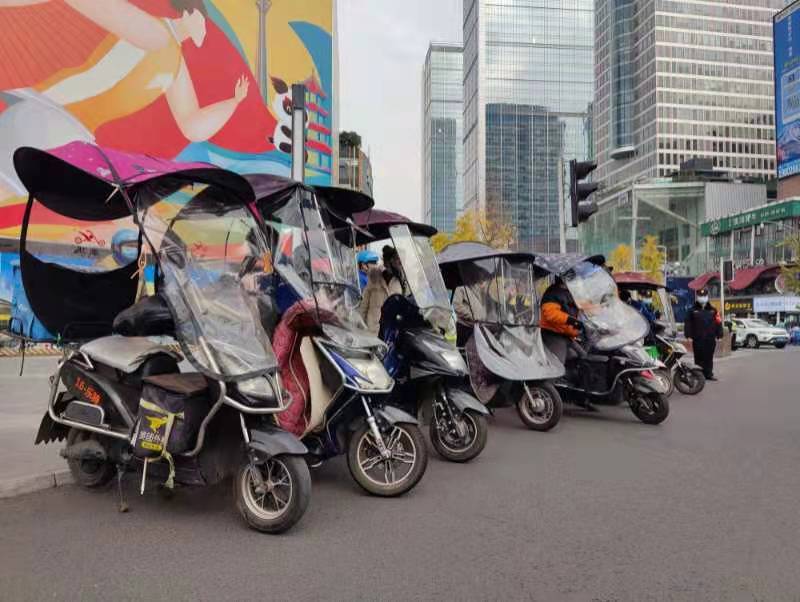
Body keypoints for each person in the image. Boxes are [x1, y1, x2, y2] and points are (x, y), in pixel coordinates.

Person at [358, 246, 404, 334]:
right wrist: (360, 327)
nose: (400, 263)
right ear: (389, 261)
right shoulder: (374, 278)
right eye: (397, 259)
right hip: (372, 330)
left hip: (390, 332)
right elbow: (364, 305)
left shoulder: (401, 282)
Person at [540, 277, 582, 365]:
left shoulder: (570, 293)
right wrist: (571, 320)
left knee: (583, 355)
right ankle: (553, 374)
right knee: (557, 364)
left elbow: (584, 306)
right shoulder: (553, 293)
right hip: (553, 333)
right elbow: (550, 313)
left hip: (566, 334)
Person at [684, 288, 723, 381]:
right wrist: (688, 335)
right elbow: (688, 323)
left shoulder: (713, 310)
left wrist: (719, 334)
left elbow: (718, 322)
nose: (702, 298)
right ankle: (699, 375)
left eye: (704, 296)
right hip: (698, 338)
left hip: (710, 338)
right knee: (699, 357)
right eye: (700, 296)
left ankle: (708, 374)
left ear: (707, 297)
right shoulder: (692, 310)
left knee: (709, 357)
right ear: (697, 297)